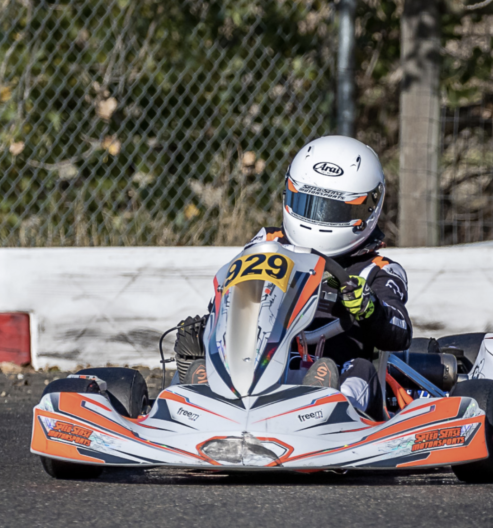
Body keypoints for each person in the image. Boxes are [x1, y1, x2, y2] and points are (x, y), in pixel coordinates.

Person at [174, 135, 411, 420]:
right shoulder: (268, 242)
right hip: (265, 364)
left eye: (334, 210)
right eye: (307, 203)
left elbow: (400, 331)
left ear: (368, 208)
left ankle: (327, 405)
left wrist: (369, 307)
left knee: (358, 370)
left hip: (337, 370)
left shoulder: (378, 268)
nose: (318, 218)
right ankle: (207, 387)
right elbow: (231, 297)